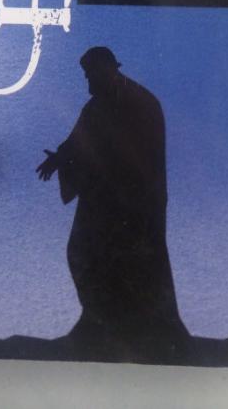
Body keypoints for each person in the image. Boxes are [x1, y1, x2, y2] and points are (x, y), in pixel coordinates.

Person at [37, 48, 187, 356]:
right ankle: (100, 320)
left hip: (134, 204)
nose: (88, 81)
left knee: (131, 262)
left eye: (90, 74)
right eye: (86, 75)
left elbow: (132, 155)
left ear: (106, 69)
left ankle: (130, 330)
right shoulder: (98, 105)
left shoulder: (140, 102)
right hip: (102, 198)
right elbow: (78, 140)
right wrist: (60, 158)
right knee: (83, 252)